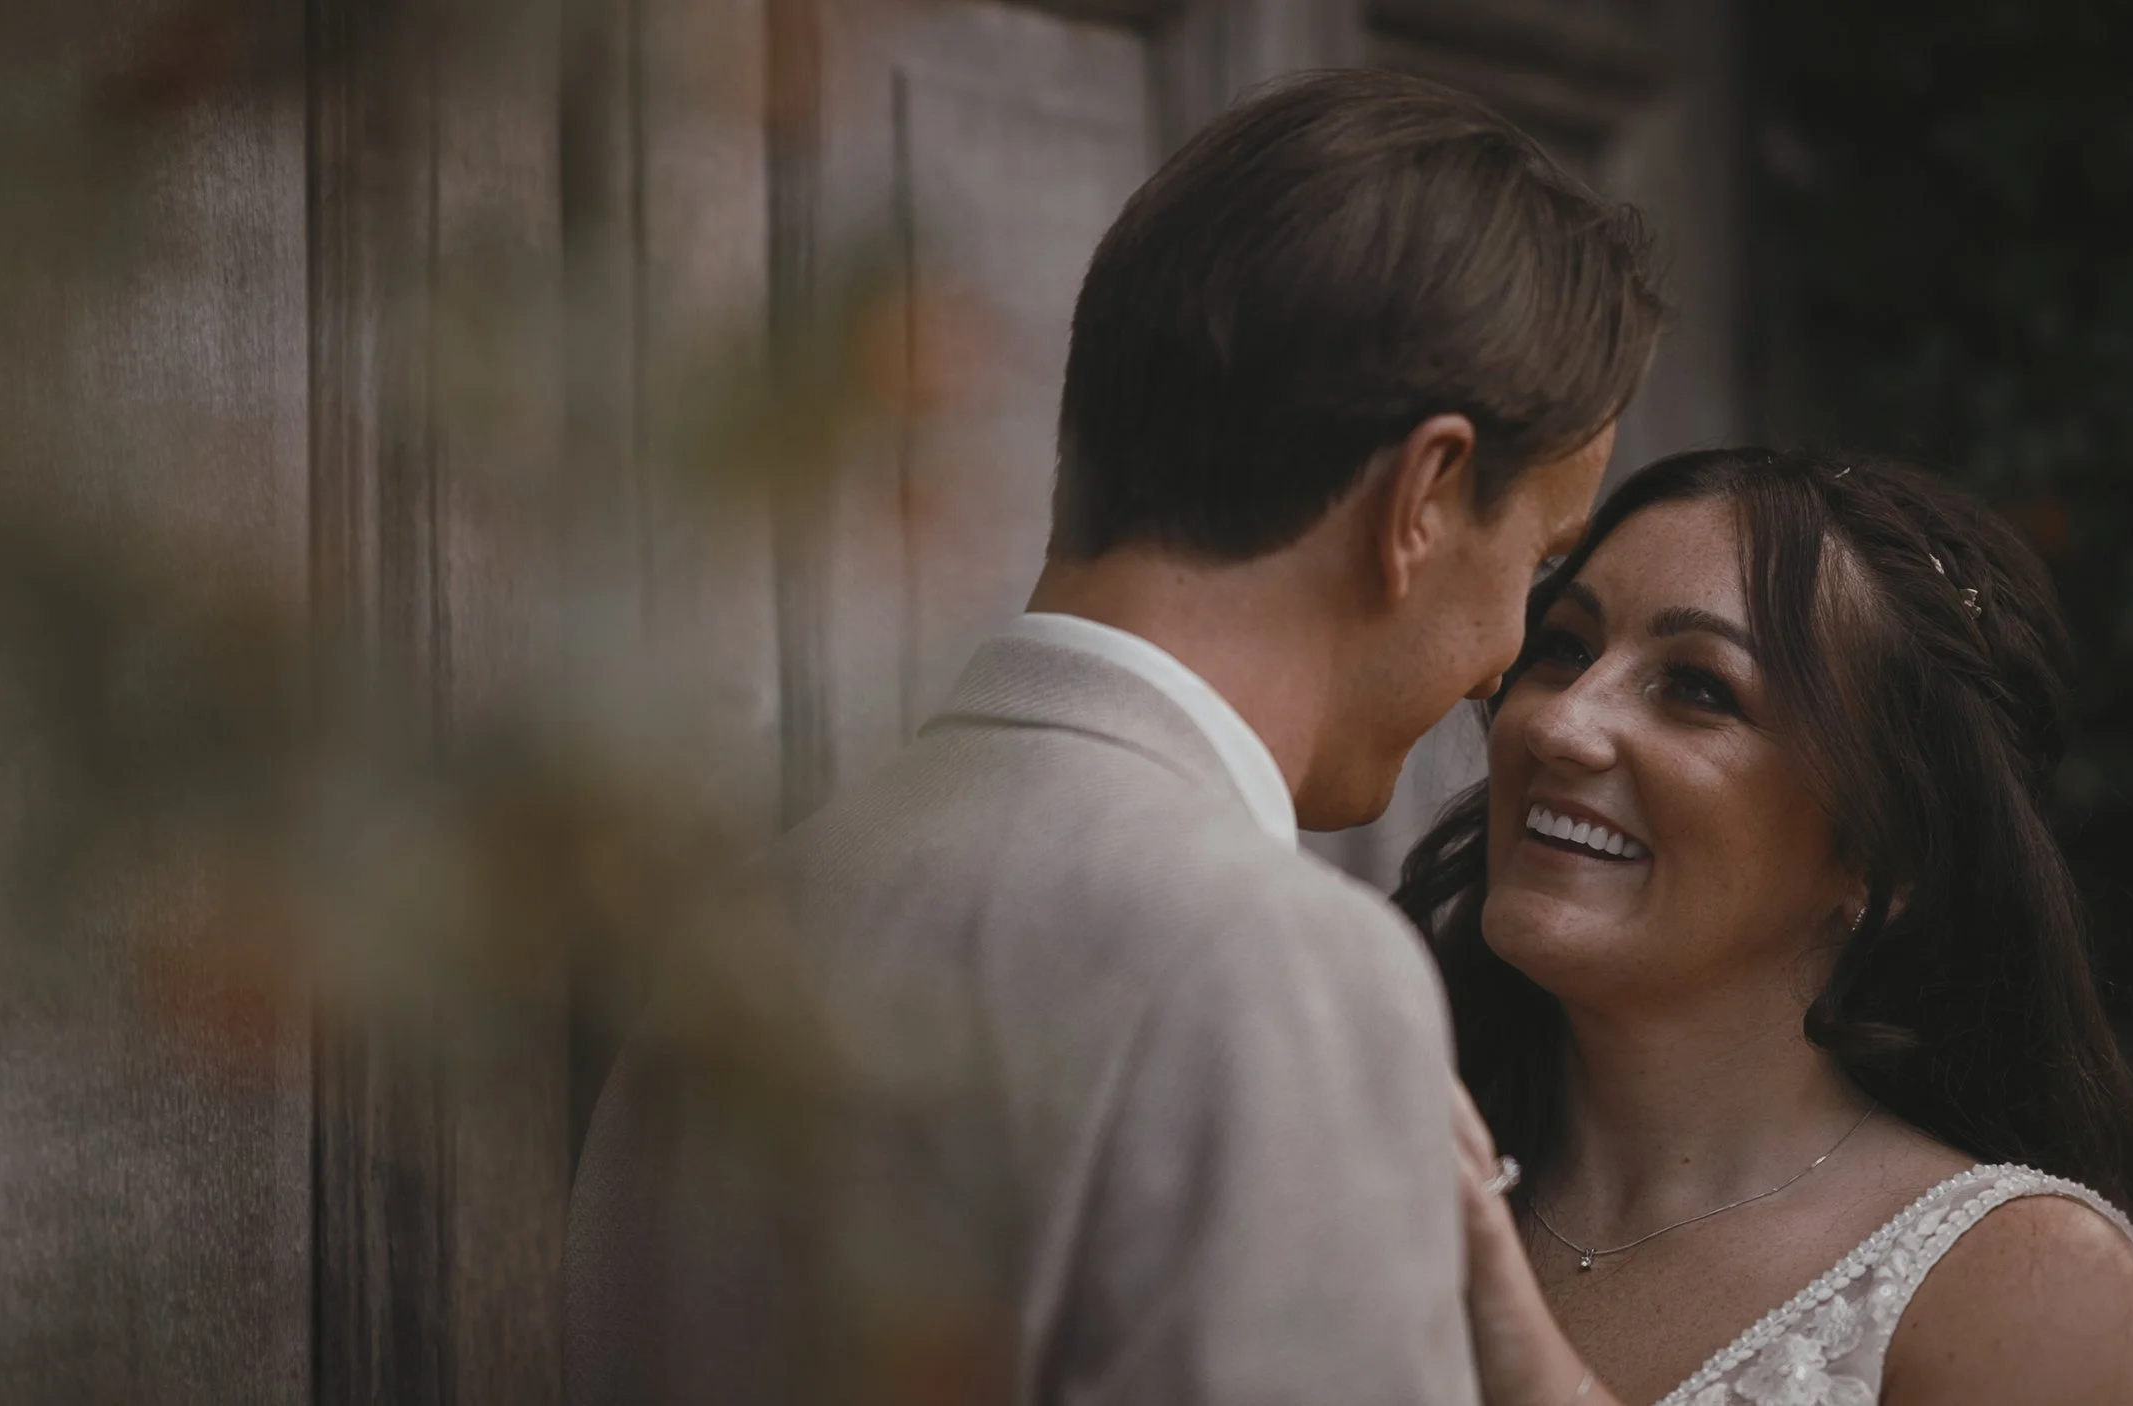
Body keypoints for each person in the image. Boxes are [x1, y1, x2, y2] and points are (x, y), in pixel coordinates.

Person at [565, 69, 1663, 1405]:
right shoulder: (1277, 965)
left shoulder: (743, 933)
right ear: (1424, 499)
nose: (1505, 664)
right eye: (1536, 566)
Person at [1399, 448, 2133, 1404]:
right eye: (1565, 645)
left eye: (1698, 688)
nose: (1562, 724)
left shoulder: (2026, 1283)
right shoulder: (1381, 1159)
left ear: (1885, 859)